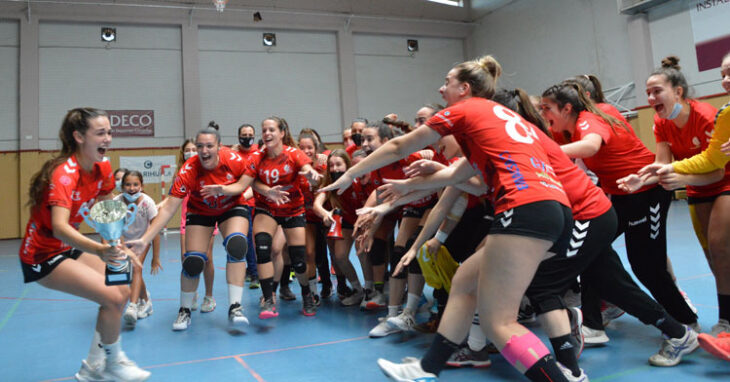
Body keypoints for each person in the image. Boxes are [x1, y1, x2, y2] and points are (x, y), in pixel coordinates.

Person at [323, 55, 574, 381]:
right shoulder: (501, 121)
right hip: (555, 209)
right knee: (465, 283)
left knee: (500, 323)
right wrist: (402, 191)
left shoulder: (468, 108)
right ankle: (426, 369)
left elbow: (400, 145)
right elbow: (464, 179)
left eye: (447, 83)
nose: (442, 90)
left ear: (465, 88)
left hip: (524, 209)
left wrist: (351, 174)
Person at [541, 80, 700, 333]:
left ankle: (685, 321)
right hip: (619, 195)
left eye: (547, 108)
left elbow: (591, 145)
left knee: (647, 266)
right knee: (593, 251)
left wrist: (541, 152)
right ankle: (593, 324)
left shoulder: (590, 118)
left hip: (647, 191)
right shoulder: (564, 129)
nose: (543, 114)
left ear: (567, 107)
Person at [20, 107, 149, 381]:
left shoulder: (102, 166)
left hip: (66, 247)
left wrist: (118, 243)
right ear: (79, 137)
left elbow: (105, 206)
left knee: (121, 291)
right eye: (100, 133)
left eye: (110, 132)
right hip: (42, 255)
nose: (108, 139)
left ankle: (93, 367)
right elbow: (60, 227)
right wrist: (101, 250)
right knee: (112, 296)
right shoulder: (63, 175)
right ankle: (113, 363)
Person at [637, 52, 730, 357]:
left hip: (723, 184)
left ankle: (726, 322)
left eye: (656, 91)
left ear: (678, 91)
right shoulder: (661, 122)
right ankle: (725, 320)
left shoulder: (706, 115)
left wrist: (678, 176)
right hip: (695, 188)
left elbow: (715, 169)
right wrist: (642, 179)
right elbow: (663, 163)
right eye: (647, 93)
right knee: (712, 257)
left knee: (720, 246)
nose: (651, 97)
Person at [128, 127, 255, 331]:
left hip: (232, 206)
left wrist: (234, 191)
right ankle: (185, 310)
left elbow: (250, 181)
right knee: (193, 261)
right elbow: (169, 208)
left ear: (219, 146)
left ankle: (235, 307)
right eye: (200, 146)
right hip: (201, 211)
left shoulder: (234, 159)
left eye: (209, 146)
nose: (204, 150)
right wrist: (145, 239)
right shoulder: (189, 170)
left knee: (237, 245)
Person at [208, 117, 322, 318]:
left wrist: (311, 174)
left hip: (292, 209)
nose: (267, 133)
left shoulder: (293, 154)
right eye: (264, 130)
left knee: (298, 260)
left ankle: (306, 294)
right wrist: (223, 189)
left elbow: (306, 169)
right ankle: (268, 299)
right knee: (262, 248)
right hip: (267, 208)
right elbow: (244, 184)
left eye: (271, 130)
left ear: (281, 133)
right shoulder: (256, 157)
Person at [314, 149, 367, 306]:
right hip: (347, 223)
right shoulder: (330, 183)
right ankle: (358, 290)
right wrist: (326, 214)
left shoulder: (358, 179)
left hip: (363, 221)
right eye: (331, 165)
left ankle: (371, 289)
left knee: (362, 252)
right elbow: (317, 204)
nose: (335, 168)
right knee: (340, 256)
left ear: (347, 164)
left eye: (339, 164)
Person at [176, 139, 217, 313]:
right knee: (186, 259)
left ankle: (209, 296)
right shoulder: (180, 174)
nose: (191, 152)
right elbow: (173, 198)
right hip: (187, 220)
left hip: (207, 219)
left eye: (195, 149)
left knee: (206, 257)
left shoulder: (207, 171)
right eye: (188, 150)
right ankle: (191, 293)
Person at [117, 170, 161, 328]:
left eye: (135, 184)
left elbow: (156, 231)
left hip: (143, 241)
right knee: (131, 273)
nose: (132, 188)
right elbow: (112, 227)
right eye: (128, 184)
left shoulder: (147, 203)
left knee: (136, 268)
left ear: (142, 186)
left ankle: (133, 306)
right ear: (122, 187)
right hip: (124, 242)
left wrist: (155, 258)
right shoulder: (117, 202)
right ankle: (146, 301)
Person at [232, 123, 260, 289]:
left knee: (256, 238)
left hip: (257, 201)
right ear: (239, 136)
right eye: (244, 134)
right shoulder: (233, 154)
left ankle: (256, 272)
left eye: (250, 134)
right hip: (241, 203)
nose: (247, 137)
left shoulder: (258, 152)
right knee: (246, 238)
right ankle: (252, 271)